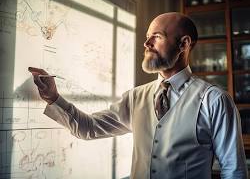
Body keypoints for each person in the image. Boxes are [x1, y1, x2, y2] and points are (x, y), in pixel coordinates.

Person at [28, 12, 248, 179]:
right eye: (147, 37)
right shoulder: (135, 98)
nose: (146, 44)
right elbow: (89, 128)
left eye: (156, 37)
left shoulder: (215, 100)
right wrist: (54, 98)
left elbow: (234, 170)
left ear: (184, 44)